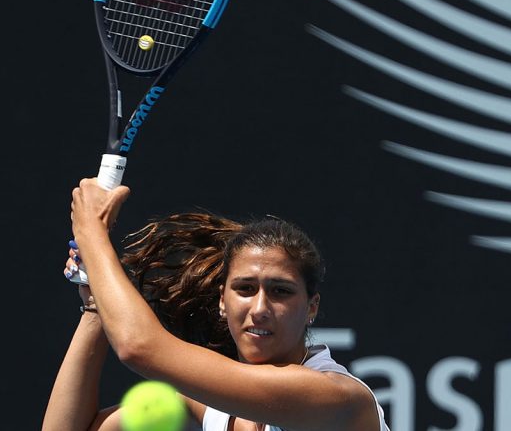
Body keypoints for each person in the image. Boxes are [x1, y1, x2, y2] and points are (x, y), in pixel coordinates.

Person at [43, 178, 389, 431]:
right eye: (245, 288)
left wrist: (91, 232)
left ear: (311, 307)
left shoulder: (334, 397)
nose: (260, 308)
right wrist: (95, 309)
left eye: (281, 291)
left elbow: (138, 347)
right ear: (222, 301)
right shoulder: (213, 407)